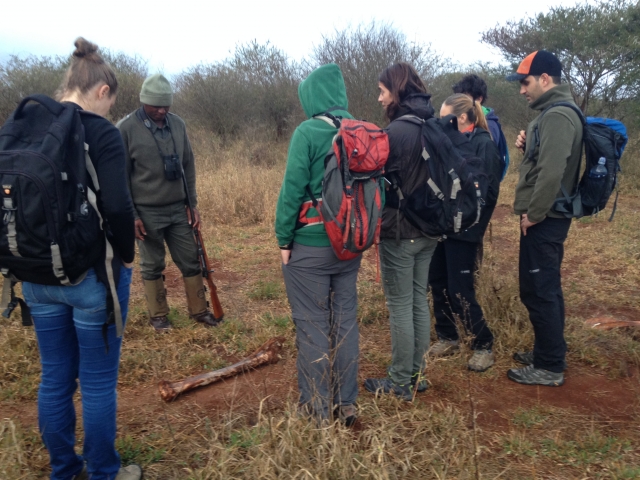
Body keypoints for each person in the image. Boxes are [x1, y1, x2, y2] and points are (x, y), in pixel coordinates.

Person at [20, 38, 141, 480]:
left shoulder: (26, 125)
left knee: (54, 377)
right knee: (95, 382)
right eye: (111, 101)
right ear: (102, 91)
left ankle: (63, 470)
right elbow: (119, 209)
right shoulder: (99, 130)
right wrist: (126, 258)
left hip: (34, 276)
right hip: (91, 280)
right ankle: (104, 472)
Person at [275, 63, 360, 425]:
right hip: (351, 245)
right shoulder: (361, 130)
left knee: (311, 322)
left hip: (310, 246)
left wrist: (283, 238)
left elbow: (292, 190)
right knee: (345, 322)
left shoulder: (307, 132)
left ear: (312, 97)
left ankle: (316, 410)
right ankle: (347, 403)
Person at [117, 74, 220, 332]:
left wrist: (192, 203)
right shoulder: (126, 128)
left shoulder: (178, 125)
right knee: (152, 264)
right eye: (156, 106)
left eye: (166, 106)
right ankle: (159, 317)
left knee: (190, 259)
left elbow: (188, 165)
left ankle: (199, 311)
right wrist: (132, 215)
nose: (162, 111)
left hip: (178, 209)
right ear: (144, 102)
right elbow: (121, 177)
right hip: (146, 211)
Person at [506, 50, 583, 386]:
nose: (522, 90)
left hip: (545, 219)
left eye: (525, 82)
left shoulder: (556, 116)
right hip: (546, 217)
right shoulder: (552, 114)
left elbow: (552, 173)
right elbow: (547, 161)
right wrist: (528, 146)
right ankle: (549, 350)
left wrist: (533, 216)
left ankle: (550, 366)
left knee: (540, 290)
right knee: (544, 287)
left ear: (545, 79)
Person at [363, 63, 439, 401]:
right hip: (430, 230)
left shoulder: (394, 133)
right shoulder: (434, 124)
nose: (379, 98)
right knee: (419, 302)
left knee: (400, 306)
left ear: (397, 90)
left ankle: (399, 381)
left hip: (400, 231)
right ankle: (417, 375)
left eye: (382, 91)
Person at [427, 94, 502, 372]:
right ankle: (448, 336)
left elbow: (490, 193)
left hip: (466, 230)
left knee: (460, 289)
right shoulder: (449, 142)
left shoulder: (483, 144)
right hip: (444, 225)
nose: (440, 123)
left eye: (445, 117)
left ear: (460, 117)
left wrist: (475, 227)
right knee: (437, 280)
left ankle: (484, 343)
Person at [453, 74, 509, 178]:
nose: (459, 101)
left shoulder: (489, 125)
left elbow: (487, 164)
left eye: (465, 97)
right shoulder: (465, 119)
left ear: (479, 99)